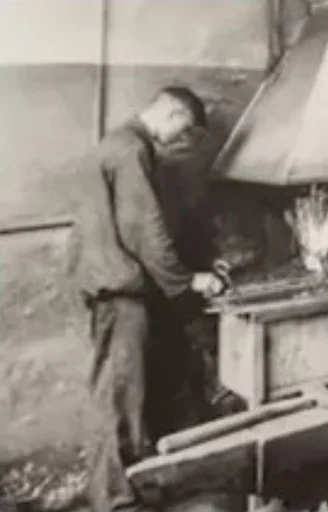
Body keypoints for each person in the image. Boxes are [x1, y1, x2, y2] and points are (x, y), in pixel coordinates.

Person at [67, 85, 227, 512]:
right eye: (183, 129)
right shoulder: (132, 150)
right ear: (172, 115)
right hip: (119, 291)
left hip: (114, 285)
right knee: (118, 395)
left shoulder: (119, 143)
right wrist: (189, 281)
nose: (180, 140)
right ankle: (113, 498)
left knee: (129, 390)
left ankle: (130, 484)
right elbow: (146, 230)